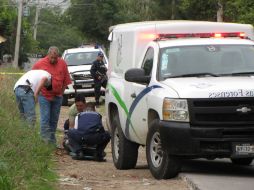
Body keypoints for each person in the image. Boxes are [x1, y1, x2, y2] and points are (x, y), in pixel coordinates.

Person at [32, 46, 71, 145]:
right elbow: (33, 77)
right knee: (45, 118)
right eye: (51, 57)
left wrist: (61, 93)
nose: (53, 59)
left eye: (55, 57)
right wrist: (36, 91)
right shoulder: (40, 63)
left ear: (58, 56)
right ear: (48, 55)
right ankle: (44, 142)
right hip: (44, 96)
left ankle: (51, 142)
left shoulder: (62, 63)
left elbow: (66, 80)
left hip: (57, 96)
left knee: (54, 120)